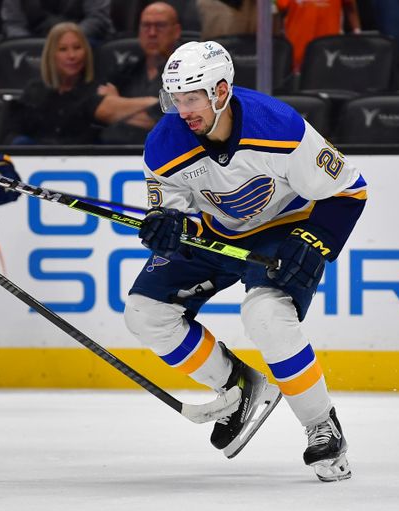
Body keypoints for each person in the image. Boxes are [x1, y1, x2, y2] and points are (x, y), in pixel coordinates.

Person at [124, 41, 366, 481]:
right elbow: (172, 212)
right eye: (175, 98)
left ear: (220, 92)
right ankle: (238, 388)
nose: (182, 110)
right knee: (144, 314)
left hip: (283, 228)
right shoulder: (165, 142)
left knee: (267, 316)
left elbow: (349, 189)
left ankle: (321, 426)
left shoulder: (280, 129)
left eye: (191, 98)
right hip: (215, 232)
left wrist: (316, 240)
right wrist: (166, 224)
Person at [9, 21, 158, 145]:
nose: (72, 56)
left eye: (77, 48)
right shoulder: (35, 91)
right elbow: (13, 133)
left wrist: (151, 102)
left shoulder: (98, 88)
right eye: (63, 49)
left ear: (86, 51)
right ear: (51, 54)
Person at [98, 1, 181, 145]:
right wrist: (153, 103)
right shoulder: (126, 70)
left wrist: (119, 106)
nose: (152, 33)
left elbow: (173, 120)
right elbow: (103, 110)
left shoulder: (187, 71)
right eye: (146, 26)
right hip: (117, 155)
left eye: (160, 26)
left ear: (176, 31)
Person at [276, 0, 361, 74]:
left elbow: (350, 8)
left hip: (330, 54)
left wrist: (357, 34)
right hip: (296, 56)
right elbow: (278, 12)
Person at [1, 0, 114, 44]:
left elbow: (97, 19)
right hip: (35, 40)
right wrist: (30, 45)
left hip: (82, 39)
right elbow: (13, 23)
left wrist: (66, 39)